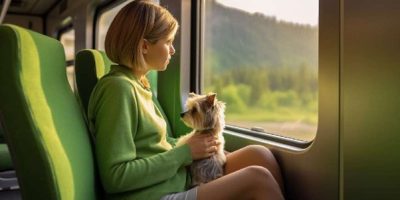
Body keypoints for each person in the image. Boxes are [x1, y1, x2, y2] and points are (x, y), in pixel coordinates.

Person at [88, 0, 284, 199]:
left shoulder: (139, 84)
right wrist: (186, 153)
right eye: (168, 42)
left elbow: (155, 146)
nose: (173, 50)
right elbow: (116, 177)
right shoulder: (118, 89)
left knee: (259, 155)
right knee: (258, 179)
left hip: (175, 179)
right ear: (145, 46)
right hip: (153, 194)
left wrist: (200, 145)